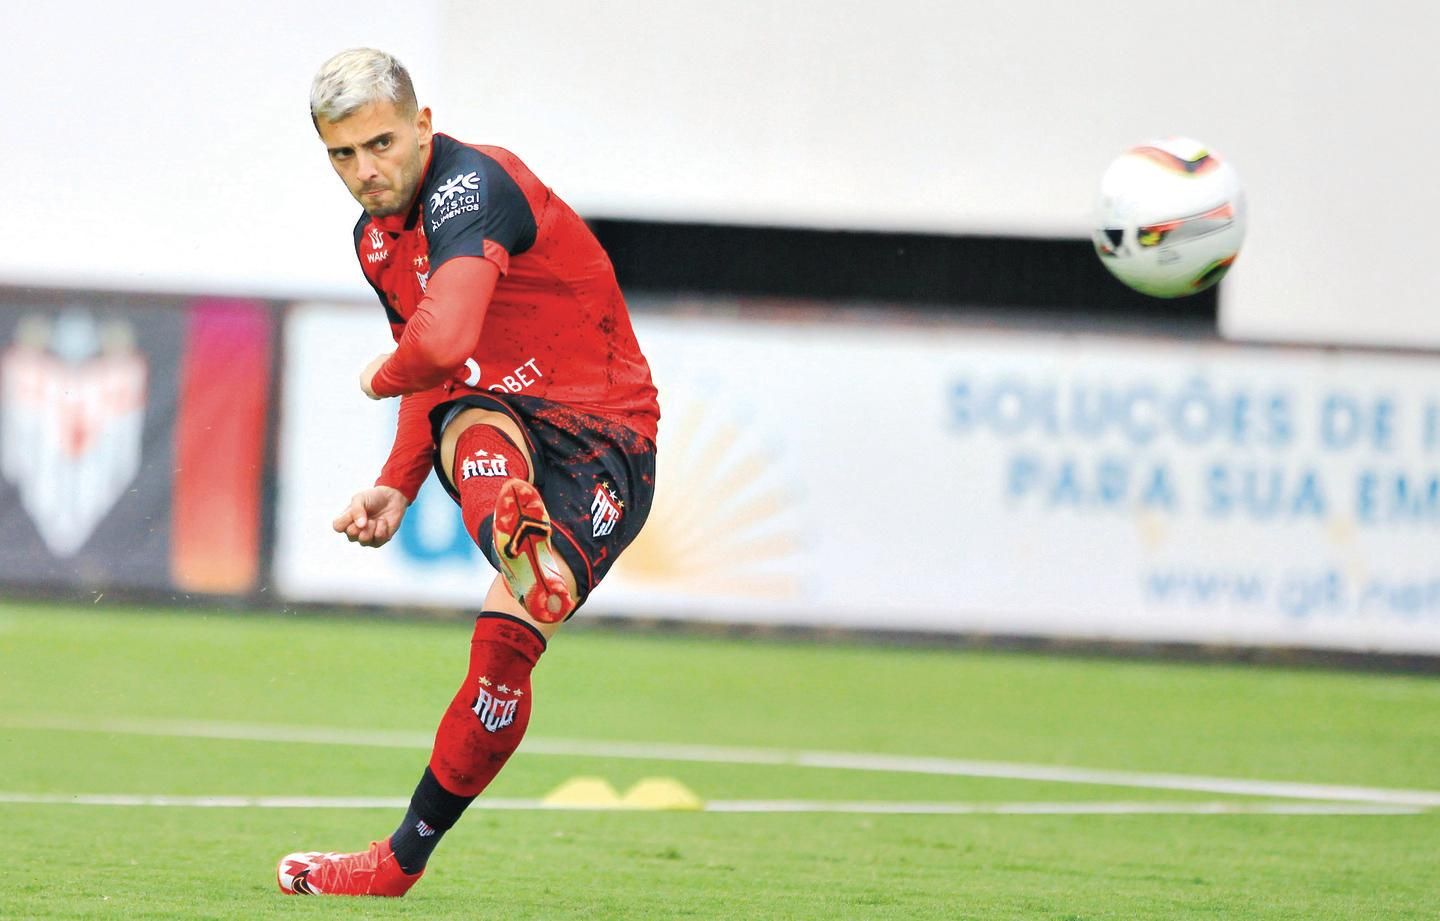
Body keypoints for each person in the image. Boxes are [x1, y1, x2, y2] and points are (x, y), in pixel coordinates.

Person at [277, 48, 660, 897]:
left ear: (422, 124)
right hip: (498, 427)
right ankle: (397, 863)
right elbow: (442, 376)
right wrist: (397, 482)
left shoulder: (474, 187)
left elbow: (438, 347)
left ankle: (521, 539)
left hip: (606, 437)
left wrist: (377, 374)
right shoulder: (377, 239)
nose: (366, 172)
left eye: (379, 143)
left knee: (471, 420)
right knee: (474, 427)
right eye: (342, 155)